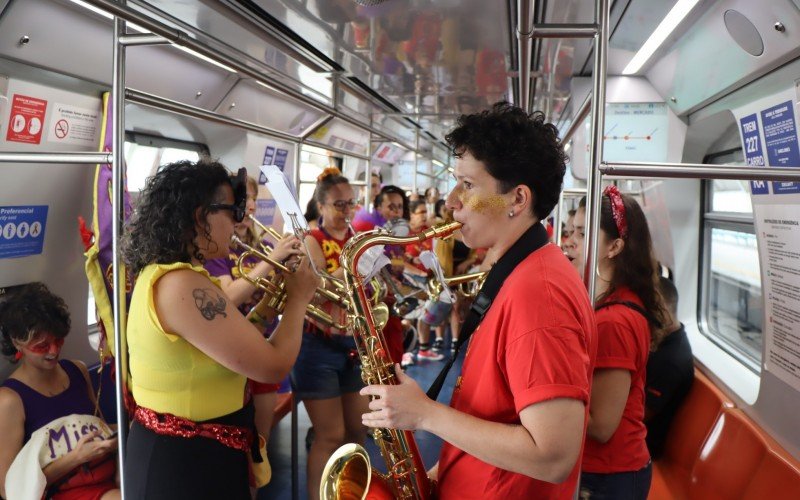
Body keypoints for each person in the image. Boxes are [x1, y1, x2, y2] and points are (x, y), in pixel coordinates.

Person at [360, 102, 598, 499]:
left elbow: (554, 456)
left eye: (467, 186)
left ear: (517, 199)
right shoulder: (522, 271)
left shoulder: (540, 296)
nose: (451, 201)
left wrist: (425, 414)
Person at [121, 159, 316, 500]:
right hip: (183, 462)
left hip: (202, 451)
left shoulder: (180, 276)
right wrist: (299, 299)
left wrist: (271, 304)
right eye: (232, 211)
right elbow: (272, 365)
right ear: (200, 216)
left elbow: (234, 343)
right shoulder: (181, 285)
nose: (239, 222)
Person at [567, 189, 669, 500]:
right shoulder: (603, 303)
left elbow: (601, 426)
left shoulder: (614, 321)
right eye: (570, 230)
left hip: (609, 476)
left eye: (583, 233)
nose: (569, 241)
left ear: (614, 246)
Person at [204, 174, 303, 466]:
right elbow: (229, 297)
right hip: (232, 352)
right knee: (236, 448)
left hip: (264, 343)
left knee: (259, 447)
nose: (248, 208)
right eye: (240, 202)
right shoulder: (217, 250)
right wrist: (273, 257)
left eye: (252, 200)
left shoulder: (259, 247)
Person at [0, 282, 119, 500]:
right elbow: (10, 489)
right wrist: (76, 458)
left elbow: (99, 426)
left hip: (109, 471)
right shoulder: (10, 400)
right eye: (42, 346)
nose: (54, 351)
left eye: (58, 340)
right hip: (65, 490)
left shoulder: (77, 370)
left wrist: (127, 429)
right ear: (17, 343)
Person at [293, 168, 369, 500]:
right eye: (339, 205)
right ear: (321, 206)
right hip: (318, 346)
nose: (346, 212)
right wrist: (355, 265)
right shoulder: (313, 239)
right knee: (330, 435)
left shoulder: (354, 239)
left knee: (357, 430)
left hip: (352, 342)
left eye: (351, 205)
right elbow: (318, 286)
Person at [645, 277, 693, 460]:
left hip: (646, 445)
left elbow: (640, 416)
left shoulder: (671, 362)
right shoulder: (663, 341)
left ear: (662, 309)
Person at [406, 199, 446, 361]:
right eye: (420, 212)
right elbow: (399, 261)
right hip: (408, 279)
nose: (424, 215)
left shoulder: (427, 231)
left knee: (425, 314)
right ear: (411, 214)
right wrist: (414, 266)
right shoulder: (404, 233)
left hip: (427, 278)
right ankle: (405, 351)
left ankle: (423, 349)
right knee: (408, 315)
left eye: (425, 211)